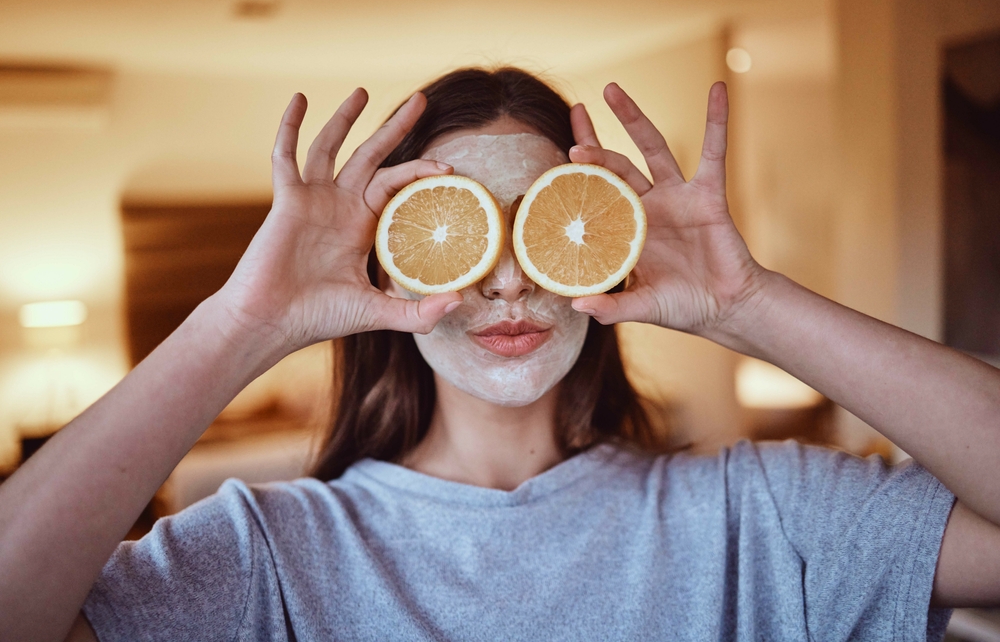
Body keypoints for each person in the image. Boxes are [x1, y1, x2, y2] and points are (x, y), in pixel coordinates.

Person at [0, 67, 997, 642]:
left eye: (541, 228)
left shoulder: (764, 519)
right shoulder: (265, 556)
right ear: (389, 269)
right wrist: (242, 323)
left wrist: (751, 303)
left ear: (596, 242)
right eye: (459, 231)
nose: (509, 282)